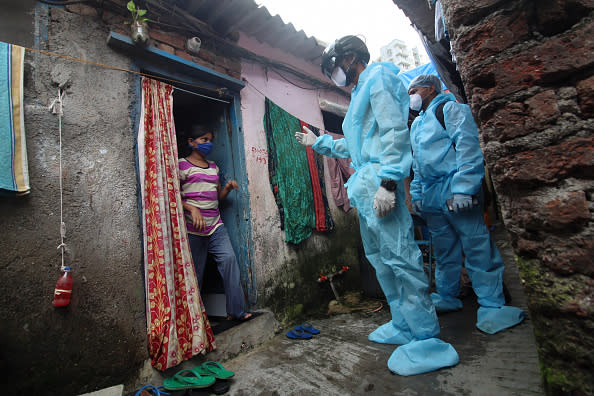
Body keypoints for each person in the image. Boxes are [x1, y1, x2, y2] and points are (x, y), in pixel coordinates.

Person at [295, 35, 458, 376]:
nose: (335, 74)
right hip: (365, 183)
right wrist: (319, 142)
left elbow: (394, 133)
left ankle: (427, 337)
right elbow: (355, 146)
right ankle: (402, 323)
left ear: (352, 56)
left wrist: (389, 182)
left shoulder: (380, 77)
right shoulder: (356, 95)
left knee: (401, 256)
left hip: (380, 181)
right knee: (380, 259)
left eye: (335, 66)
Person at [407, 74, 525, 334]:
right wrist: (417, 195)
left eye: (413, 90)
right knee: (444, 250)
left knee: (476, 246)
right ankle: (448, 295)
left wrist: (464, 188)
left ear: (429, 89)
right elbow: (416, 164)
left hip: (454, 186)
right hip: (431, 193)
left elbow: (468, 146)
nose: (411, 96)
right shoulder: (417, 125)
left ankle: (492, 304)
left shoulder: (450, 109)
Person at [179, 125, 252, 321]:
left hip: (215, 225)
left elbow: (217, 197)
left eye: (210, 139)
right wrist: (192, 208)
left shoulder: (213, 167)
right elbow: (172, 196)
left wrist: (227, 188)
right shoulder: (181, 165)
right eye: (203, 139)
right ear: (191, 142)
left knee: (229, 261)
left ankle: (236, 311)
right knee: (195, 274)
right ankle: (194, 321)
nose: (208, 143)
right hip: (193, 228)